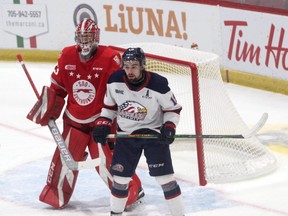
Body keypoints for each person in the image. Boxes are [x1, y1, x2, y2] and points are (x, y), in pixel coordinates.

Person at [26, 18, 143, 209]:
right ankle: (55, 194)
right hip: (74, 121)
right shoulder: (66, 56)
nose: (85, 42)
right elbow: (58, 88)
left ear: (96, 37)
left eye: (88, 37)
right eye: (81, 37)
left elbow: (121, 92)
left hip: (101, 122)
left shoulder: (110, 58)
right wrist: (48, 106)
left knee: (107, 162)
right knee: (65, 160)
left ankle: (131, 190)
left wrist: (117, 118)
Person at [93, 47, 185, 216]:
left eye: (134, 66)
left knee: (166, 179)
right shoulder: (114, 81)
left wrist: (170, 126)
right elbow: (109, 108)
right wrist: (103, 123)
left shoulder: (158, 84)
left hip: (153, 134)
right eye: (126, 66)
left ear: (143, 65)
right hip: (126, 135)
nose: (130, 71)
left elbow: (172, 109)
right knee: (120, 180)